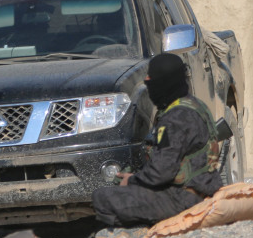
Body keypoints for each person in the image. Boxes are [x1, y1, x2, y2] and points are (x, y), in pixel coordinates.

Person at [92, 53, 223, 228]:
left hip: (184, 199)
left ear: (164, 83)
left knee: (102, 197)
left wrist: (131, 180)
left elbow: (162, 172)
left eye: (152, 79)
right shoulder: (195, 105)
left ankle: (143, 229)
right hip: (203, 190)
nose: (148, 83)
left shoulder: (176, 118)